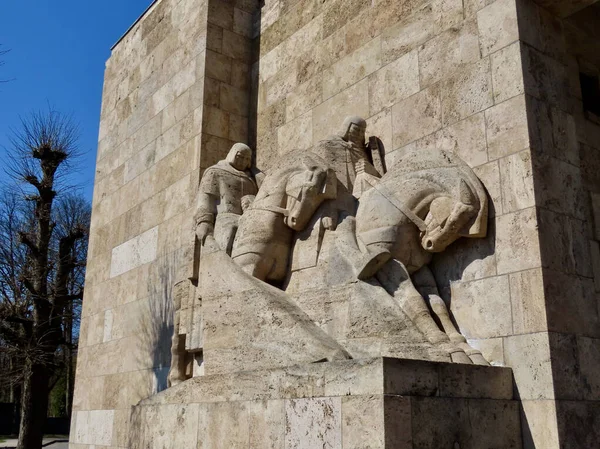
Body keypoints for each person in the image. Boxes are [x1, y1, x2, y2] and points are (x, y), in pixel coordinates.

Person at [195, 143, 259, 254]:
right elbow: (205, 198)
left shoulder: (252, 178)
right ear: (233, 155)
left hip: (248, 220)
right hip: (226, 221)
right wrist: (203, 222)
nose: (243, 161)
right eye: (240, 157)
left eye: (246, 159)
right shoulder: (215, 172)